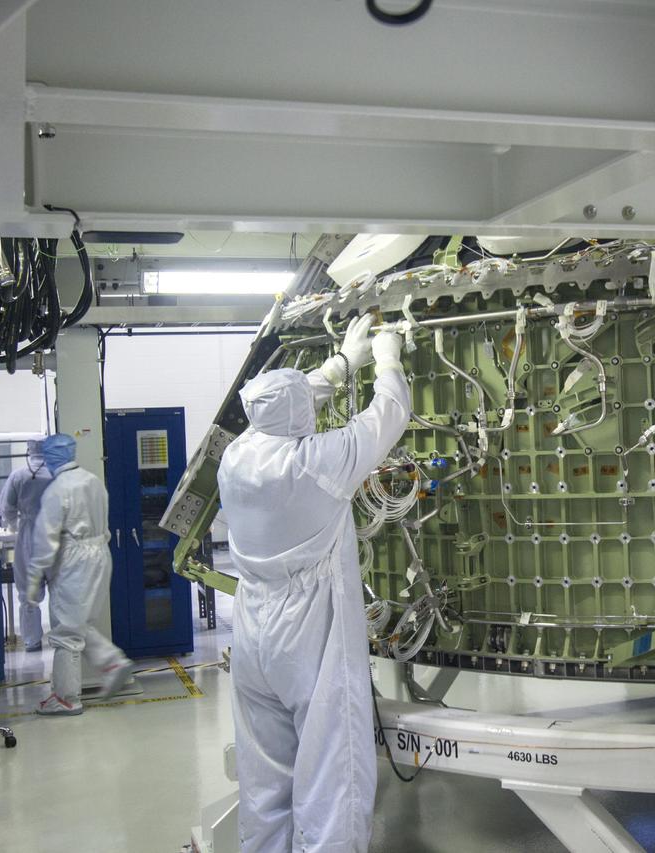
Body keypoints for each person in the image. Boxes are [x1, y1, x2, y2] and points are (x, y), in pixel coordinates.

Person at [218, 314, 409, 852]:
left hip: (253, 630)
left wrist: (342, 364)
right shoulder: (315, 463)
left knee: (265, 776)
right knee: (332, 771)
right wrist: (388, 359)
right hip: (309, 635)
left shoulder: (236, 458)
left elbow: (285, 410)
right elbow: (388, 416)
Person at [26, 433, 132, 716]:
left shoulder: (57, 490)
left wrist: (32, 582)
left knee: (66, 631)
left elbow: (45, 542)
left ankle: (65, 698)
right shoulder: (93, 480)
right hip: (101, 554)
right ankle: (111, 662)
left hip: (74, 561)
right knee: (79, 621)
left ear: (50, 458)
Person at [0, 440, 52, 652]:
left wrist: (16, 525)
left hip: (29, 536)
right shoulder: (57, 473)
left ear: (28, 451)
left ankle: (32, 641)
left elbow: (6, 507)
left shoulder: (18, 476)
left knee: (28, 593)